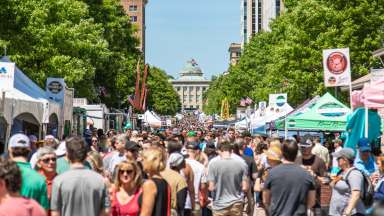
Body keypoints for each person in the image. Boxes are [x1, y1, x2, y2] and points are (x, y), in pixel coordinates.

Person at [51, 136, 110, 216]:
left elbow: (55, 213)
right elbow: (106, 210)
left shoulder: (59, 181)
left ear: (67, 155)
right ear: (86, 155)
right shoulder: (100, 180)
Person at [263, 139, 316, 216]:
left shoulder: (272, 173)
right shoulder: (307, 174)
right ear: (297, 153)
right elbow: (312, 202)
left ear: (282, 152)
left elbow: (265, 200)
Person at [8, 133, 49, 210]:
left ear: (10, 149)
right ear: (29, 150)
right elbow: (43, 211)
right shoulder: (40, 179)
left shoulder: (3, 173)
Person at [207, 141, 249, 216]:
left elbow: (211, 187)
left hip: (219, 205)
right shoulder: (242, 163)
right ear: (231, 150)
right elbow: (245, 187)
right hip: (236, 203)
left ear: (219, 150)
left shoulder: (213, 164)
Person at [329, 147, 366, 216]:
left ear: (345, 160)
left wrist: (347, 212)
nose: (336, 160)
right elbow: (332, 185)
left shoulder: (354, 174)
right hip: (337, 213)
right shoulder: (341, 172)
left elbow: (356, 194)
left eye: (338, 158)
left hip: (352, 213)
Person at [141, 148, 171, 216]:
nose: (141, 162)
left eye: (143, 159)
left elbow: (146, 213)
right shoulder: (165, 182)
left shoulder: (149, 184)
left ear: (149, 161)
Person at [185, 142, 208, 216]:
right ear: (198, 151)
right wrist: (205, 199)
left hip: (181, 201)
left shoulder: (180, 163)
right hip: (195, 201)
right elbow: (203, 187)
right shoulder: (201, 167)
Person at [35, 147, 57, 216]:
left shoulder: (61, 180)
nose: (51, 162)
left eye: (53, 159)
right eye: (46, 160)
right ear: (39, 163)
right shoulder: (34, 180)